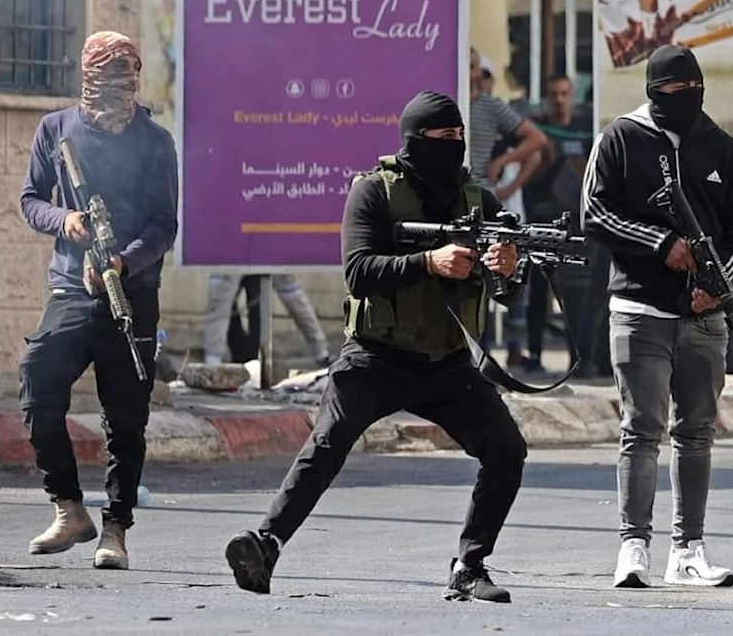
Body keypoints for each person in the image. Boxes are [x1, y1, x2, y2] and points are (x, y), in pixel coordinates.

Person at [224, 90, 528, 603]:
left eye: (460, 137)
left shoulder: (478, 199)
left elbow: (507, 294)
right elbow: (359, 271)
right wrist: (428, 263)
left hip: (447, 360)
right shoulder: (373, 193)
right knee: (328, 442)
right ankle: (266, 543)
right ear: (415, 141)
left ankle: (470, 565)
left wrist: (508, 269)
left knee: (506, 450)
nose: (454, 146)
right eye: (442, 138)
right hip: (376, 354)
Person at [581, 44, 733, 588]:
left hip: (704, 318)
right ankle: (633, 546)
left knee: (697, 431)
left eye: (692, 89)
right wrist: (661, 244)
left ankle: (688, 551)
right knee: (641, 429)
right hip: (639, 309)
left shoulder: (721, 147)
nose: (685, 99)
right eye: (672, 92)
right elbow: (595, 211)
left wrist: (715, 283)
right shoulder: (621, 138)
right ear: (653, 91)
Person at [18, 31, 178, 570]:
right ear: (87, 76)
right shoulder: (56, 130)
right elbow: (31, 200)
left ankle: (116, 528)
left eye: (126, 74)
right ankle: (68, 507)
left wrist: (123, 261)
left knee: (126, 420)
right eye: (106, 74)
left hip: (131, 292)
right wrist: (65, 220)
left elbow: (164, 225)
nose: (117, 86)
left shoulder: (155, 142)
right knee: (38, 386)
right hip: (70, 288)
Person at [524, 74, 609, 378]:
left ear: (571, 95)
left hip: (578, 221)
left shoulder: (585, 130)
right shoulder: (537, 131)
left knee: (578, 291)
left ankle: (581, 357)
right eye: (553, 94)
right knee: (538, 287)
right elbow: (527, 174)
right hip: (544, 216)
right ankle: (534, 353)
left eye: (564, 93)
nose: (559, 100)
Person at [469, 47, 546, 368]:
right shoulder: (445, 101)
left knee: (499, 272)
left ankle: (501, 350)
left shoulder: (489, 106)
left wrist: (502, 161)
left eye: (473, 65)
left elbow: (536, 140)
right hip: (449, 202)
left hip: (482, 200)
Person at [202, 273, 331, 367]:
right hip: (239, 245)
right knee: (220, 298)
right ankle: (213, 361)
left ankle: (321, 352)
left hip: (257, 243)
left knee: (293, 295)